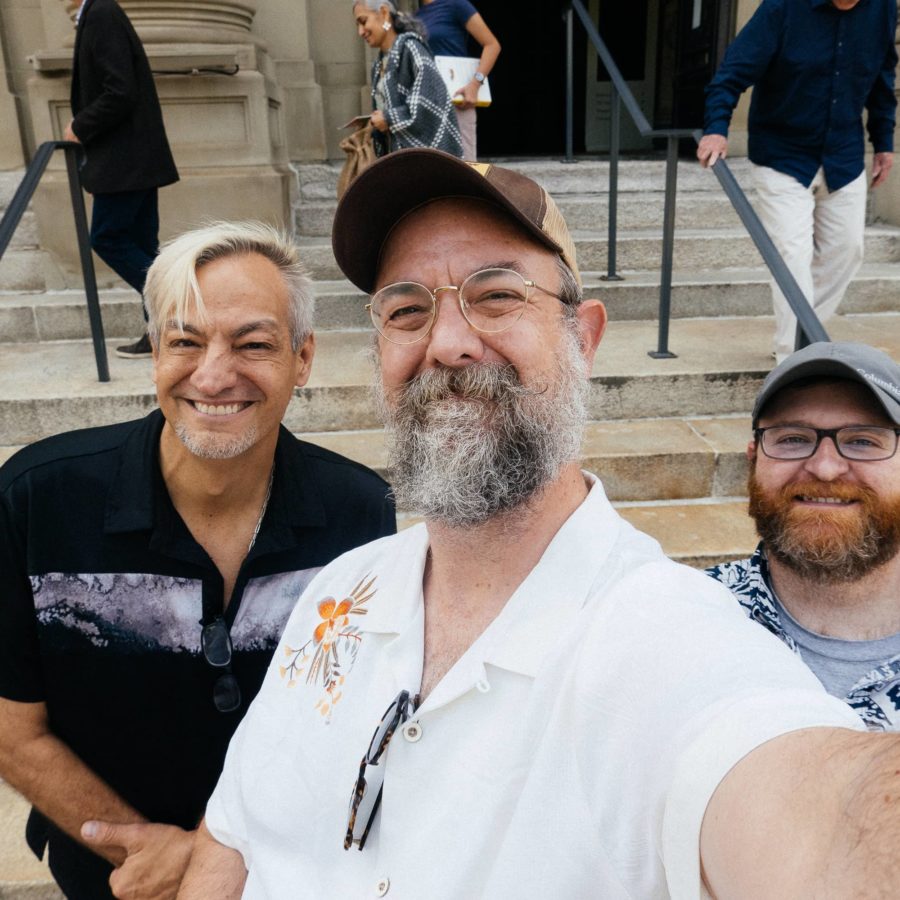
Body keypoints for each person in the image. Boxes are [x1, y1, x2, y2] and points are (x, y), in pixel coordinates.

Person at [179, 150, 900, 899]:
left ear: (582, 339)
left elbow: (824, 814)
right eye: (406, 310)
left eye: (496, 296)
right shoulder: (340, 591)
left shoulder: (663, 641)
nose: (448, 342)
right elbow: (233, 836)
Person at [0, 221, 395, 900]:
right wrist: (153, 852)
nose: (214, 375)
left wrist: (229, 861)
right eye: (184, 341)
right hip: (118, 873)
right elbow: (13, 727)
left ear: (303, 359)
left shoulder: (360, 513)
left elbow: (353, 724)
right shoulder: (39, 498)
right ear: (154, 351)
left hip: (281, 875)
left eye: (254, 344)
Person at [708, 341, 900, 731]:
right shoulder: (685, 617)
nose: (826, 468)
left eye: (863, 441)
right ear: (753, 460)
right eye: (793, 438)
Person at [697, 0, 897, 362]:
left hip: (843, 155)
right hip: (782, 155)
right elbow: (732, 73)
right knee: (793, 256)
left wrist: (883, 142)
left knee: (849, 251)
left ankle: (805, 336)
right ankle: (795, 360)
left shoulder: (882, 10)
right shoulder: (782, 8)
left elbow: (883, 76)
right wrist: (716, 129)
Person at [64, 0, 179, 360]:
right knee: (143, 246)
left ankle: (180, 304)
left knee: (108, 237)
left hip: (126, 162)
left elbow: (120, 90)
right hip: (135, 160)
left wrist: (80, 126)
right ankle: (163, 330)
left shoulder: (101, 13)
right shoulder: (100, 13)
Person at [353, 1, 463, 158]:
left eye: (363, 22)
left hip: (425, 162)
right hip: (400, 161)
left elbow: (430, 104)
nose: (360, 32)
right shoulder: (378, 64)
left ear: (384, 13)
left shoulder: (412, 48)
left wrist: (388, 118)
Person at [416, 0, 501, 160]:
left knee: (465, 168)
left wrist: (475, 84)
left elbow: (492, 45)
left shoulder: (456, 4)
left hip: (456, 99)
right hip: (426, 103)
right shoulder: (415, 16)